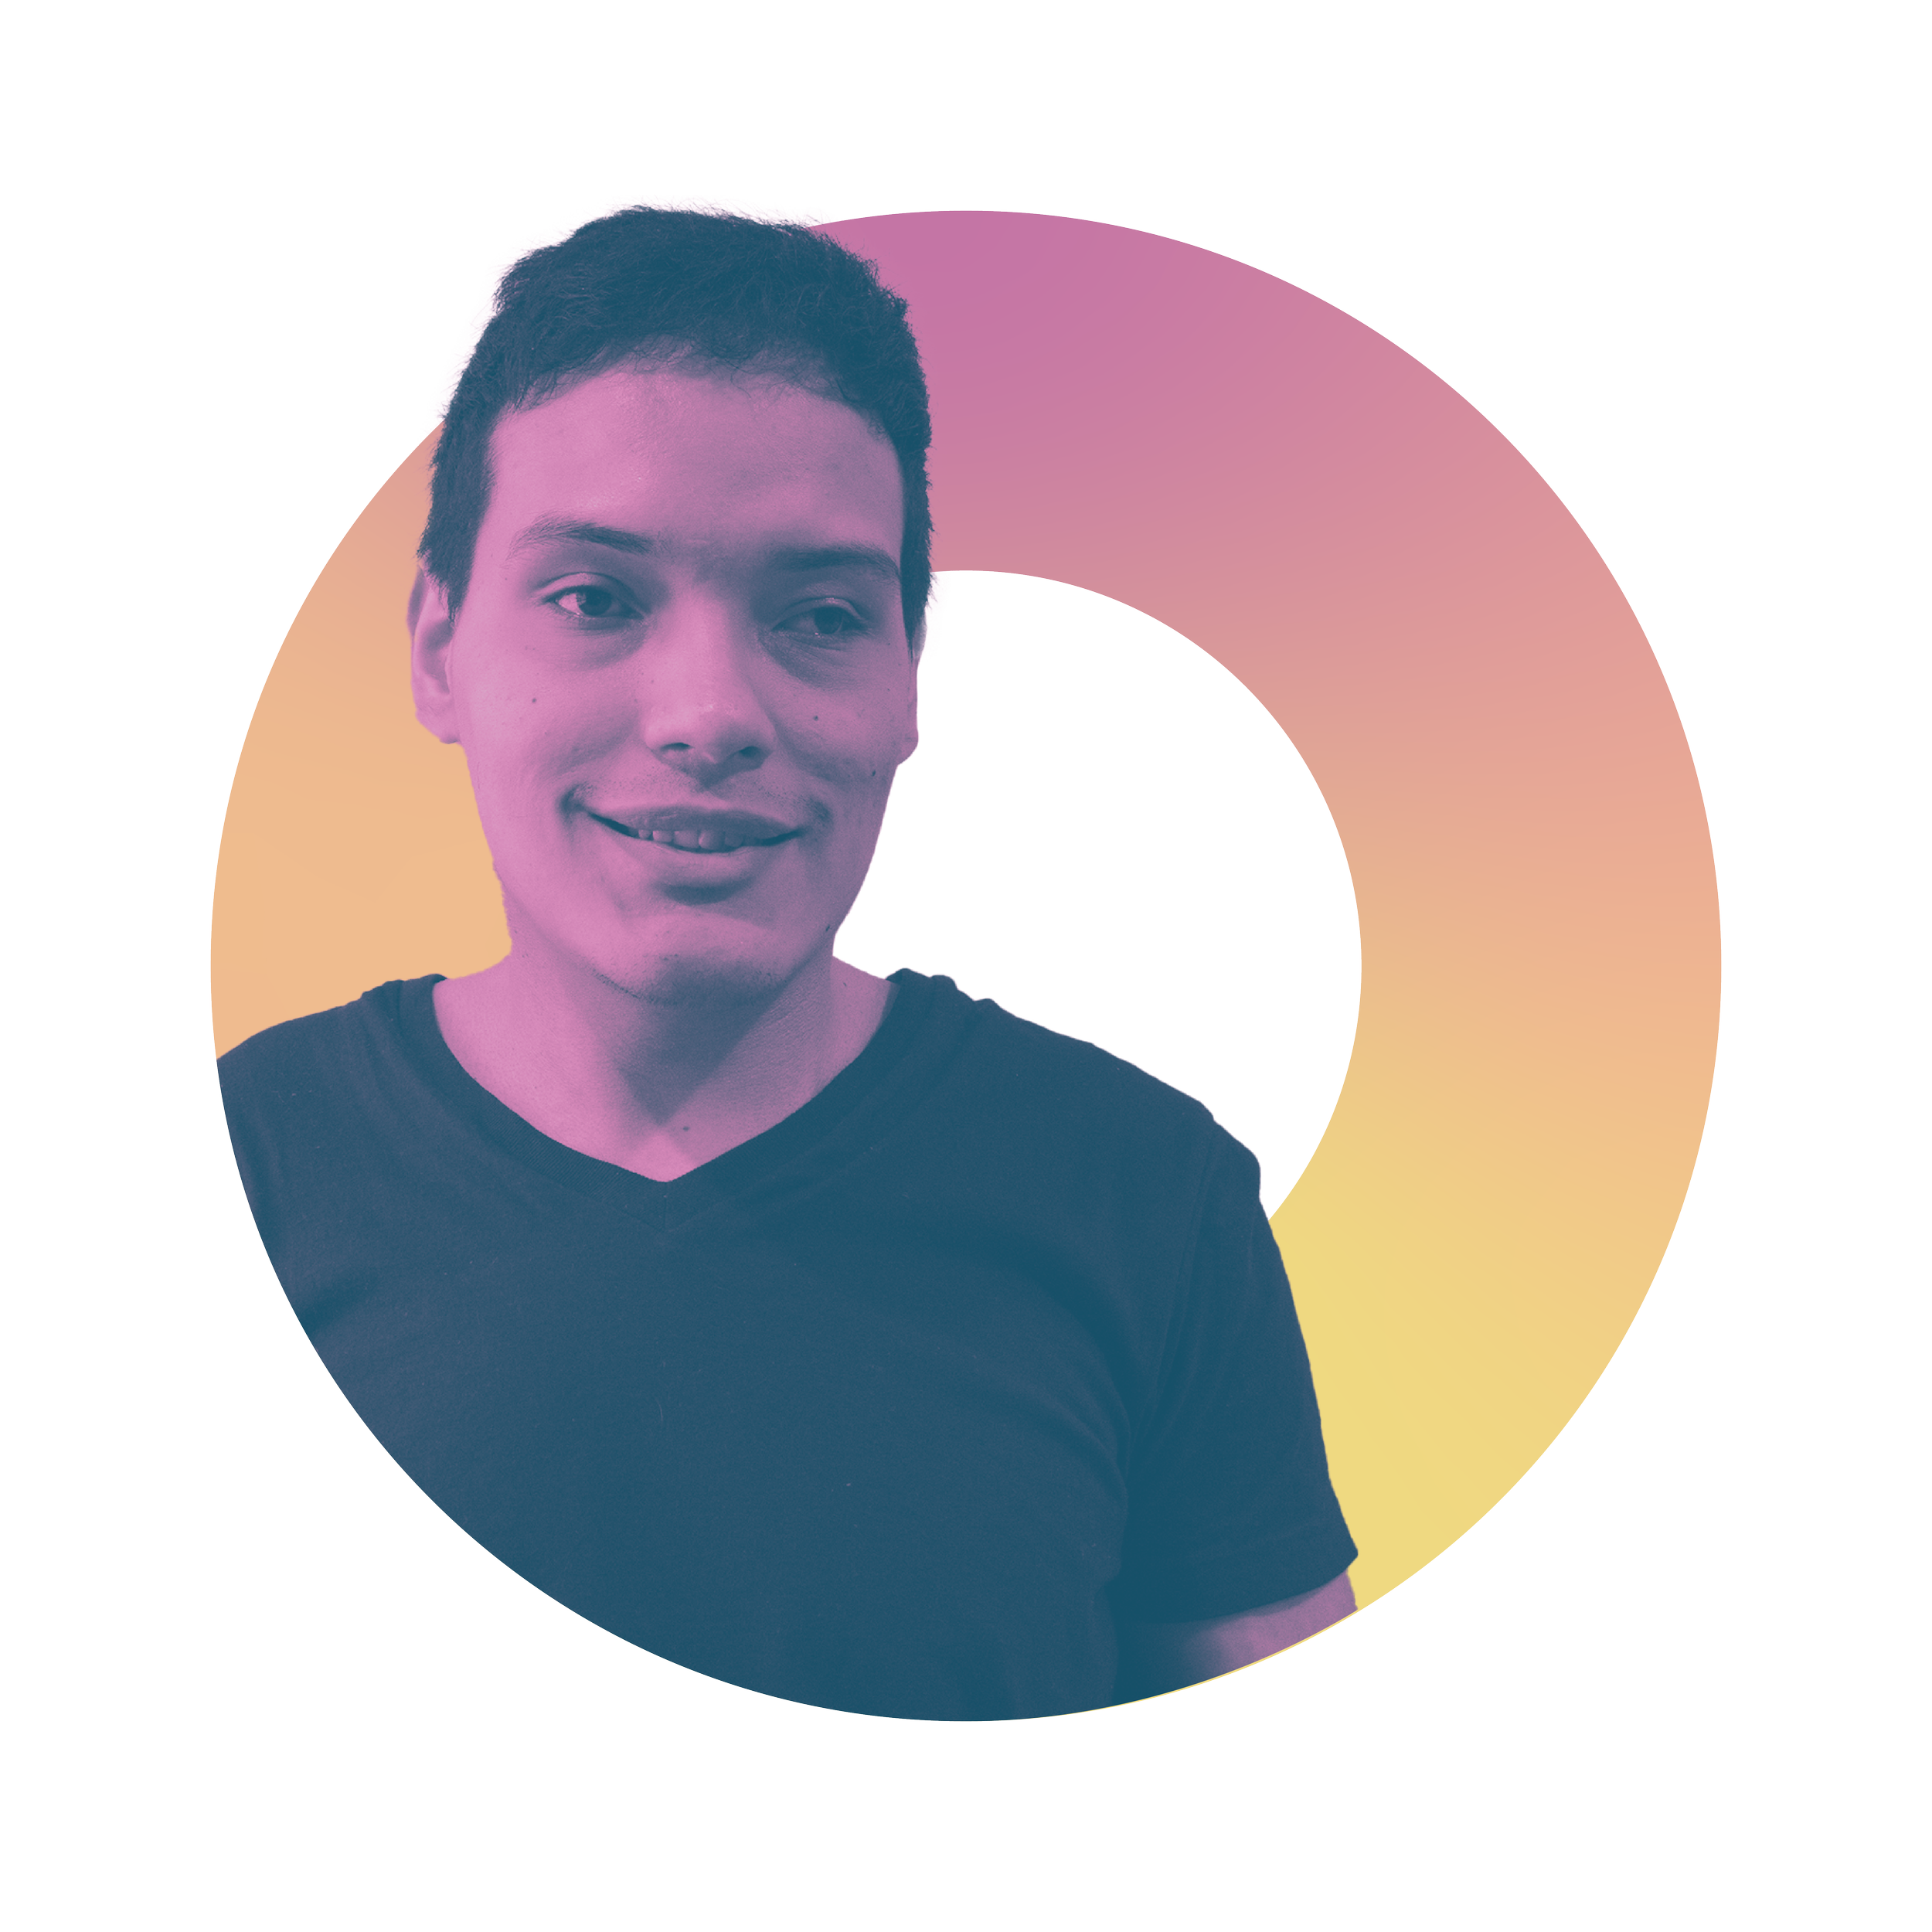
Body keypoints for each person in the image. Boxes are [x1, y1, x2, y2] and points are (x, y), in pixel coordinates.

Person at [219, 199, 1357, 1722]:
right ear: (438, 650)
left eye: (819, 615)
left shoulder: (1144, 1194)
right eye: (594, 598)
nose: (710, 713)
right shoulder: (256, 1157)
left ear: (908, 666)